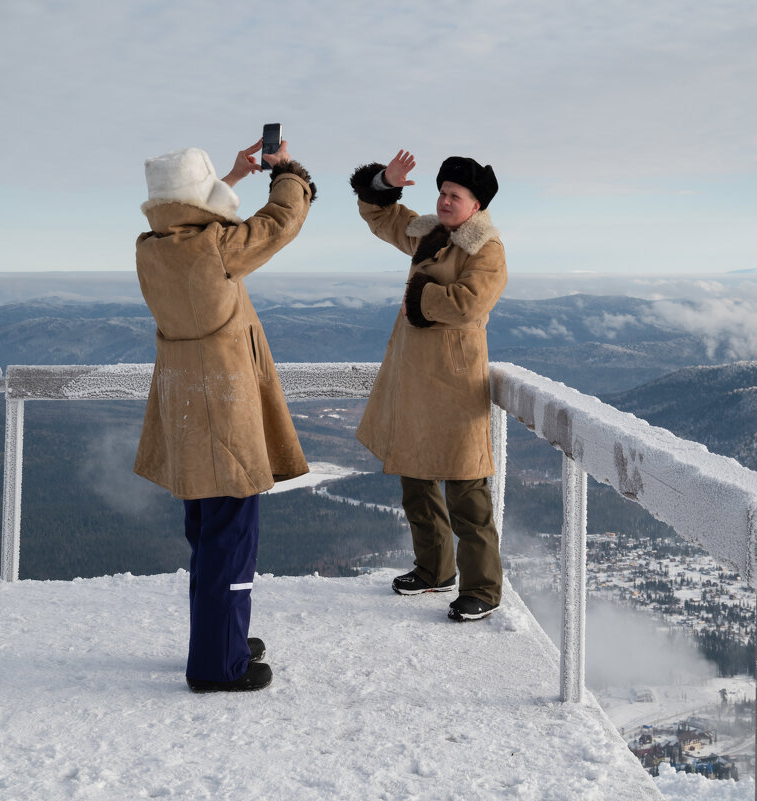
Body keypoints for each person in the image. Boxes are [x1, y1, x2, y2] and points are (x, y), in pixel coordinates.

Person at [134, 139, 316, 691]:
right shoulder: (217, 247)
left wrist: (232, 176)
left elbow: (195, 222)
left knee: (208, 536)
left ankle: (221, 639)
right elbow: (280, 221)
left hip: (186, 411)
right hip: (226, 413)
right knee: (231, 542)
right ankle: (218, 666)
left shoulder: (152, 247)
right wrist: (287, 171)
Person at [349, 150, 507, 621]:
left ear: (476, 205)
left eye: (454, 195)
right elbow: (382, 217)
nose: (444, 200)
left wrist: (419, 298)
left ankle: (483, 587)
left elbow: (471, 303)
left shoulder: (487, 248)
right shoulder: (428, 233)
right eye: (441, 192)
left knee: (466, 491)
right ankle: (434, 570)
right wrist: (384, 181)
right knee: (416, 480)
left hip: (457, 385)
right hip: (416, 381)